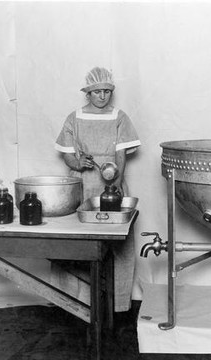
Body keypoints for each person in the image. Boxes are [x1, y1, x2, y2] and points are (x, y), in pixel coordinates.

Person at [54, 66, 140, 312]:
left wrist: (115, 180)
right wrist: (78, 164)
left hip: (111, 183)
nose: (102, 96)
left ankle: (119, 304)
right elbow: (68, 155)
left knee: (119, 244)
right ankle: (73, 301)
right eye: (97, 92)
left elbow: (121, 154)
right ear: (87, 94)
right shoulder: (74, 117)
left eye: (106, 92)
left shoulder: (119, 117)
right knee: (74, 241)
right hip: (81, 185)